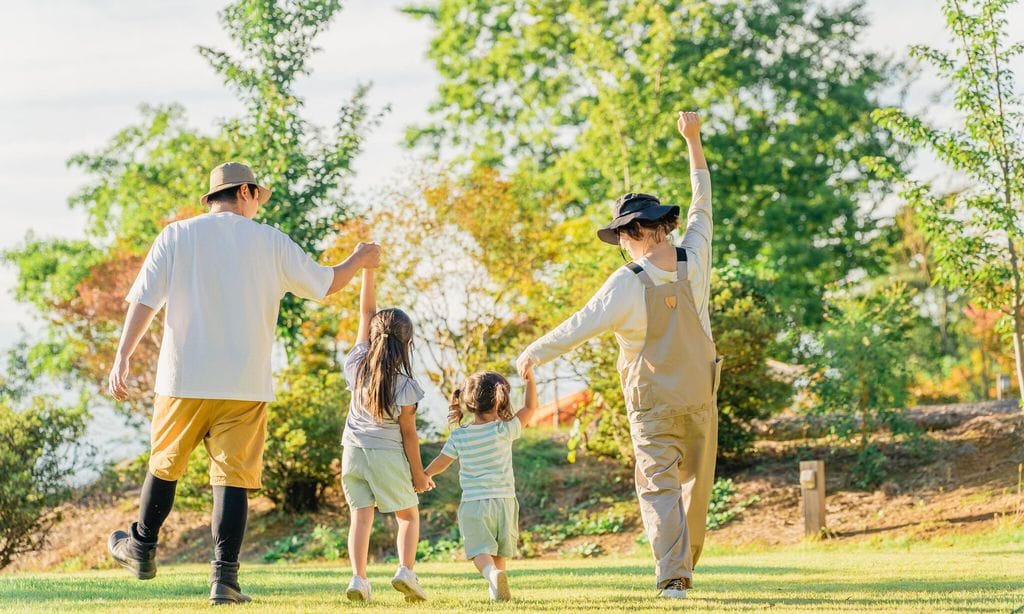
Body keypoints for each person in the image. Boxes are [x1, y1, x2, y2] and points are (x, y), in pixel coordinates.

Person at [105, 162, 380, 605]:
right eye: (258, 197)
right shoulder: (270, 242)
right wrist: (360, 259)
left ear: (214, 198)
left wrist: (123, 357)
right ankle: (224, 580)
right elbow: (327, 284)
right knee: (232, 480)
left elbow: (144, 301)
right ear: (247, 192)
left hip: (184, 377)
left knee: (165, 465)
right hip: (245, 384)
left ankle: (141, 546)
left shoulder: (176, 236)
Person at [515, 112, 721, 599]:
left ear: (629, 234)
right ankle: (683, 566)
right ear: (664, 227)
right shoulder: (698, 256)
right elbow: (704, 203)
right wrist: (693, 140)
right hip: (699, 394)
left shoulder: (626, 282)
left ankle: (674, 577)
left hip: (652, 404)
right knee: (696, 488)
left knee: (657, 486)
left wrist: (534, 353)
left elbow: (579, 326)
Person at [341, 267, 433, 604]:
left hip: (352, 451)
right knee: (407, 515)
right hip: (386, 455)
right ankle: (405, 571)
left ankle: (359, 579)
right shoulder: (406, 386)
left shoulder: (356, 365)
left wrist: (367, 270)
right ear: (407, 342)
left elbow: (366, 313)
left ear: (372, 335)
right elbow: (409, 436)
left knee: (360, 517)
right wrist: (419, 474)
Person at [423, 368, 538, 601]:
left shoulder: (460, 435)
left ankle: (492, 575)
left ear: (468, 402)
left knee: (479, 551)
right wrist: (530, 381)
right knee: (499, 551)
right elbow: (530, 408)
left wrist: (425, 475)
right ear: (500, 399)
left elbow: (442, 462)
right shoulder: (503, 430)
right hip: (504, 501)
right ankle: (497, 586)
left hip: (475, 504)